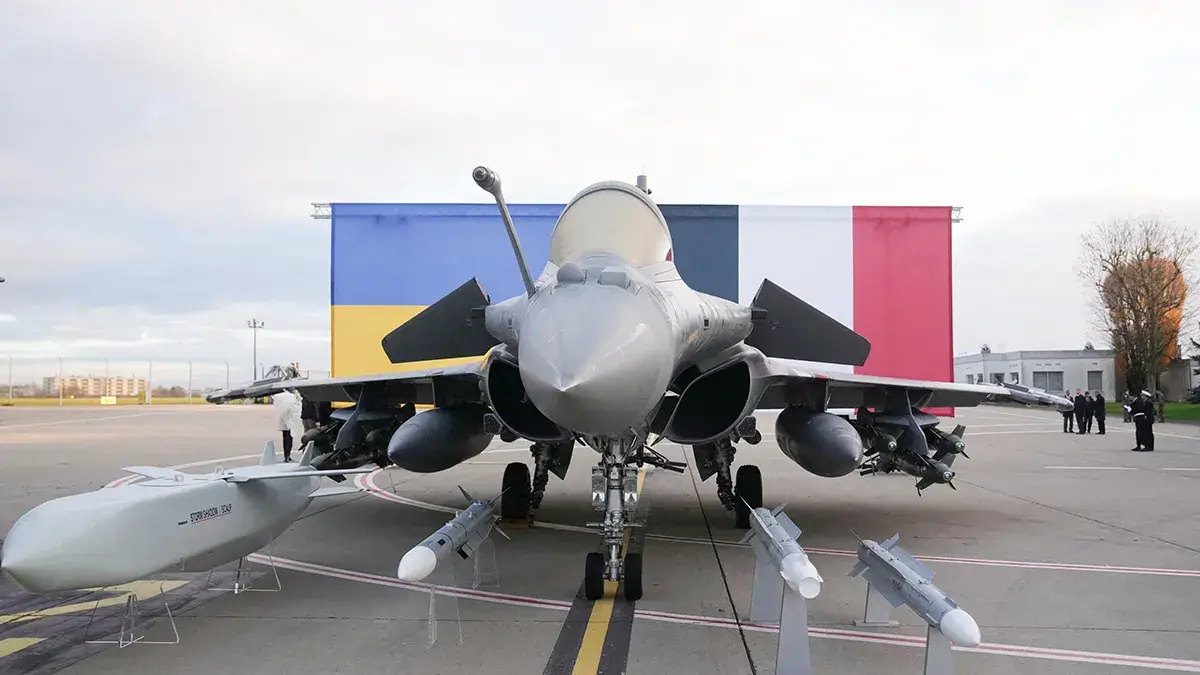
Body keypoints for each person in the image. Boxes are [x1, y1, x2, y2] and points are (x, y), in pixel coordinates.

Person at [272, 389, 299, 461]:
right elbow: (295, 407)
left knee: (285, 437)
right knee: (290, 438)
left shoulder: (279, 397)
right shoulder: (291, 396)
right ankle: (288, 455)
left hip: (283, 419)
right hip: (290, 419)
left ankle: (286, 455)